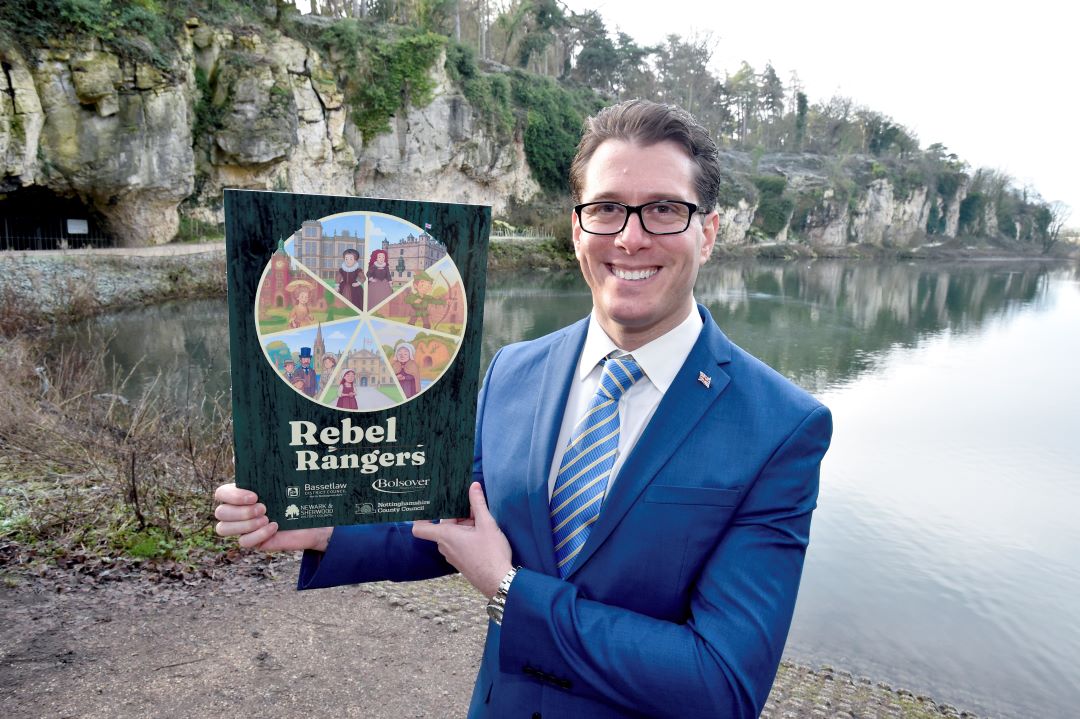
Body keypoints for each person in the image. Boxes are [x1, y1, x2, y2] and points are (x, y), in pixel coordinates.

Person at [215, 99, 832, 718]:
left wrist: (510, 591)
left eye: (665, 210)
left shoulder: (780, 428)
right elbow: (456, 523)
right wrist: (320, 523)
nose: (631, 236)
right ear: (576, 228)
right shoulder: (514, 370)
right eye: (607, 209)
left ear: (708, 232)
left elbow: (721, 685)